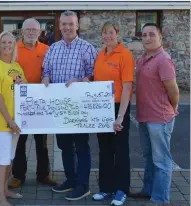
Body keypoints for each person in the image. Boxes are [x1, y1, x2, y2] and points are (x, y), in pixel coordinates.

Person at [42, 10, 98, 201]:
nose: (67, 27)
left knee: (81, 146)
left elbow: (93, 74)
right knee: (64, 145)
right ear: (59, 26)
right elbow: (46, 70)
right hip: (59, 107)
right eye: (64, 24)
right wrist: (46, 77)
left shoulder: (86, 48)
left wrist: (83, 79)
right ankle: (71, 179)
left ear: (77, 26)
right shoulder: (53, 48)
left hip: (79, 107)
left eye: (70, 24)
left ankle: (83, 185)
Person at [129, 23, 179, 206]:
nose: (147, 38)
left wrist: (172, 108)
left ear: (160, 38)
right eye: (144, 35)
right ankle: (148, 190)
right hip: (144, 116)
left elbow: (173, 91)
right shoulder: (142, 58)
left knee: (162, 159)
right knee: (148, 157)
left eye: (152, 34)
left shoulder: (163, 60)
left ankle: (160, 198)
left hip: (160, 118)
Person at [8, 18, 58, 189]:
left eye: (34, 30)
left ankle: (43, 175)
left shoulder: (47, 50)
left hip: (41, 102)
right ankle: (18, 175)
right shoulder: (13, 48)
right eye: (28, 30)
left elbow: (51, 70)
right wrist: (15, 79)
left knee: (42, 143)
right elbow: (7, 70)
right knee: (20, 141)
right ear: (22, 31)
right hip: (20, 102)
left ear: (39, 32)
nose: (31, 33)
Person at [91, 21, 135, 206]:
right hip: (102, 108)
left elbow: (127, 88)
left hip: (119, 108)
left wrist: (120, 117)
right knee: (105, 150)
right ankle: (106, 188)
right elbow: (95, 80)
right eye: (104, 33)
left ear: (117, 33)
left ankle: (121, 190)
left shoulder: (125, 55)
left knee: (120, 150)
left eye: (110, 32)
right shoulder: (100, 54)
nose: (107, 36)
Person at [0, 31, 26, 206]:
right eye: (4, 43)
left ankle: (5, 190)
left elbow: (24, 88)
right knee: (3, 158)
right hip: (3, 120)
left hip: (17, 120)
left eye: (10, 43)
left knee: (10, 156)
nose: (7, 46)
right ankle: (0, 198)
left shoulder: (17, 66)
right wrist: (8, 120)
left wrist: (22, 84)